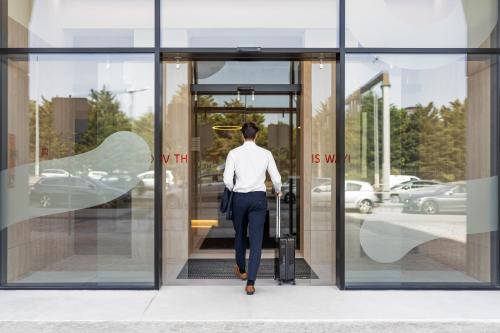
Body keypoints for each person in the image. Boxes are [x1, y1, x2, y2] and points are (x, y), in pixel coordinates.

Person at [223, 122, 282, 295]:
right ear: (256, 136)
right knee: (256, 241)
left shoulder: (233, 153)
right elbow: (276, 179)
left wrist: (236, 188)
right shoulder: (266, 154)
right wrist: (278, 191)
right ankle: (250, 283)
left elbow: (227, 180)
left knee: (240, 235)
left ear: (242, 136)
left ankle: (242, 270)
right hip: (258, 199)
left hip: (240, 198)